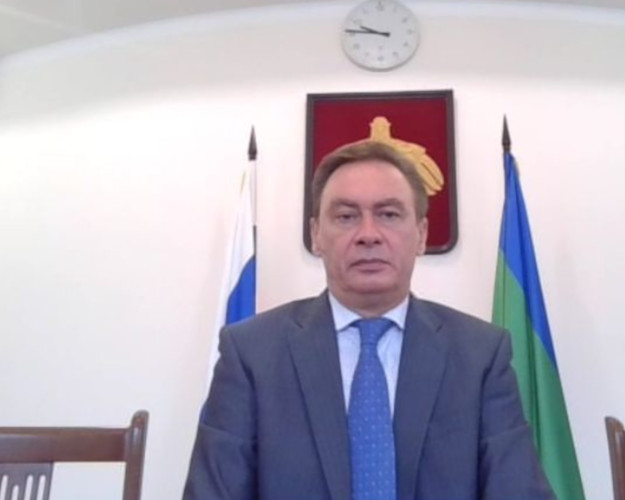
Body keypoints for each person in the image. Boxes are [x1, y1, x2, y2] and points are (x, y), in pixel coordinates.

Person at [183, 141, 555, 500]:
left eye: (388, 215)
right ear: (316, 235)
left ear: (421, 235)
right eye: (346, 217)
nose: (368, 235)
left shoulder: (480, 356)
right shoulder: (251, 354)